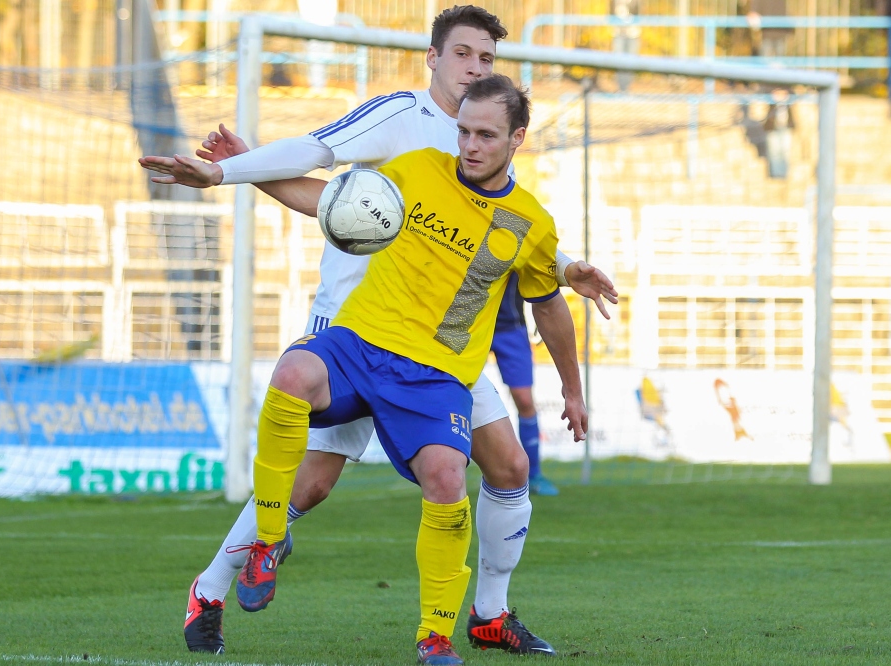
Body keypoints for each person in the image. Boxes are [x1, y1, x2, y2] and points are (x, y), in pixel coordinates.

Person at [140, 5, 617, 657]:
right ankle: (214, 587)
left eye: (486, 59)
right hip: (357, 328)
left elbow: (505, 231)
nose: (474, 67)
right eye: (463, 54)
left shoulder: (479, 139)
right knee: (312, 482)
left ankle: (488, 614)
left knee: (508, 464)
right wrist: (232, 173)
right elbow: (318, 158)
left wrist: (566, 267)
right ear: (433, 57)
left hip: (444, 345)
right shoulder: (404, 122)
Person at [237, 74, 584, 665]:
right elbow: (330, 200)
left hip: (433, 375)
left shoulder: (530, 222)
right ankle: (268, 539)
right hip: (362, 341)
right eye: (464, 131)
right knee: (292, 373)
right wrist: (240, 169)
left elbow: (549, 306)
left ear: (516, 139)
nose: (469, 146)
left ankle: (436, 637)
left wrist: (572, 392)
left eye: (485, 135)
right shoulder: (418, 168)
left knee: (450, 480)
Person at [491, 274, 559, 496]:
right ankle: (445, 469)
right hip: (466, 325)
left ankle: (535, 475)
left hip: (510, 327)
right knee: (454, 393)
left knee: (525, 400)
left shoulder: (519, 240)